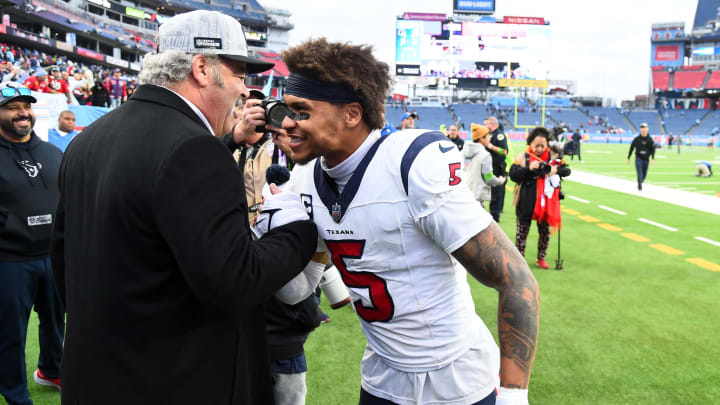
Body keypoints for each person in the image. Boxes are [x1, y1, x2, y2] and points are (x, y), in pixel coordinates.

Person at [50, 10, 319, 404]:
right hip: (171, 381)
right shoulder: (194, 148)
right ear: (202, 69)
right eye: (241, 75)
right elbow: (235, 281)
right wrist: (298, 231)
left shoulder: (89, 139)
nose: (245, 92)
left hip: (95, 376)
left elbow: (63, 266)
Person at [274, 38, 539, 405]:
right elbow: (296, 292)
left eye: (301, 111)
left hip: (457, 381)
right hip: (383, 380)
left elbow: (516, 279)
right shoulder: (304, 180)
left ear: (351, 114)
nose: (286, 123)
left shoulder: (409, 166)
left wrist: (513, 395)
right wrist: (277, 234)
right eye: (286, 110)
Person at [0, 83, 65, 405]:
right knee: (11, 333)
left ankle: (51, 370)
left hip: (51, 256)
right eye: (12, 107)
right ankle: (15, 394)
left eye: (25, 106)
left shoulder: (52, 153)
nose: (22, 113)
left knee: (56, 323)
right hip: (9, 259)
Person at [509, 127, 571, 270]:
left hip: (547, 203)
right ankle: (519, 259)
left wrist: (555, 170)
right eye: (536, 145)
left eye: (543, 145)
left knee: (545, 232)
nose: (539, 148)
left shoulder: (553, 157)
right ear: (530, 143)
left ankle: (541, 258)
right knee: (522, 232)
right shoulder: (522, 157)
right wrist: (529, 169)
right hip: (526, 200)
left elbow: (567, 171)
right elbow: (513, 175)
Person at [464, 123, 505, 208]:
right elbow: (489, 178)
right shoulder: (485, 155)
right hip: (477, 197)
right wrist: (500, 181)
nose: (490, 138)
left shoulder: (463, 152)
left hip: (465, 193)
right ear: (481, 139)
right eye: (487, 136)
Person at [484, 116, 508, 222]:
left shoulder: (499, 135)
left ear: (492, 124)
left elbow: (503, 151)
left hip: (497, 168)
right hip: (489, 167)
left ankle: (495, 216)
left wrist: (489, 145)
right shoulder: (489, 135)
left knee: (496, 193)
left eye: (486, 124)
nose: (485, 126)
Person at [627, 122, 655, 191]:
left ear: (647, 129)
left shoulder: (650, 140)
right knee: (639, 173)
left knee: (644, 174)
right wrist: (628, 157)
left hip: (646, 159)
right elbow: (632, 147)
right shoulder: (637, 139)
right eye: (642, 128)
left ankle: (639, 183)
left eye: (645, 128)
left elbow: (652, 149)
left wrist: (653, 158)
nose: (643, 129)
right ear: (640, 129)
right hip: (638, 159)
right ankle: (640, 187)